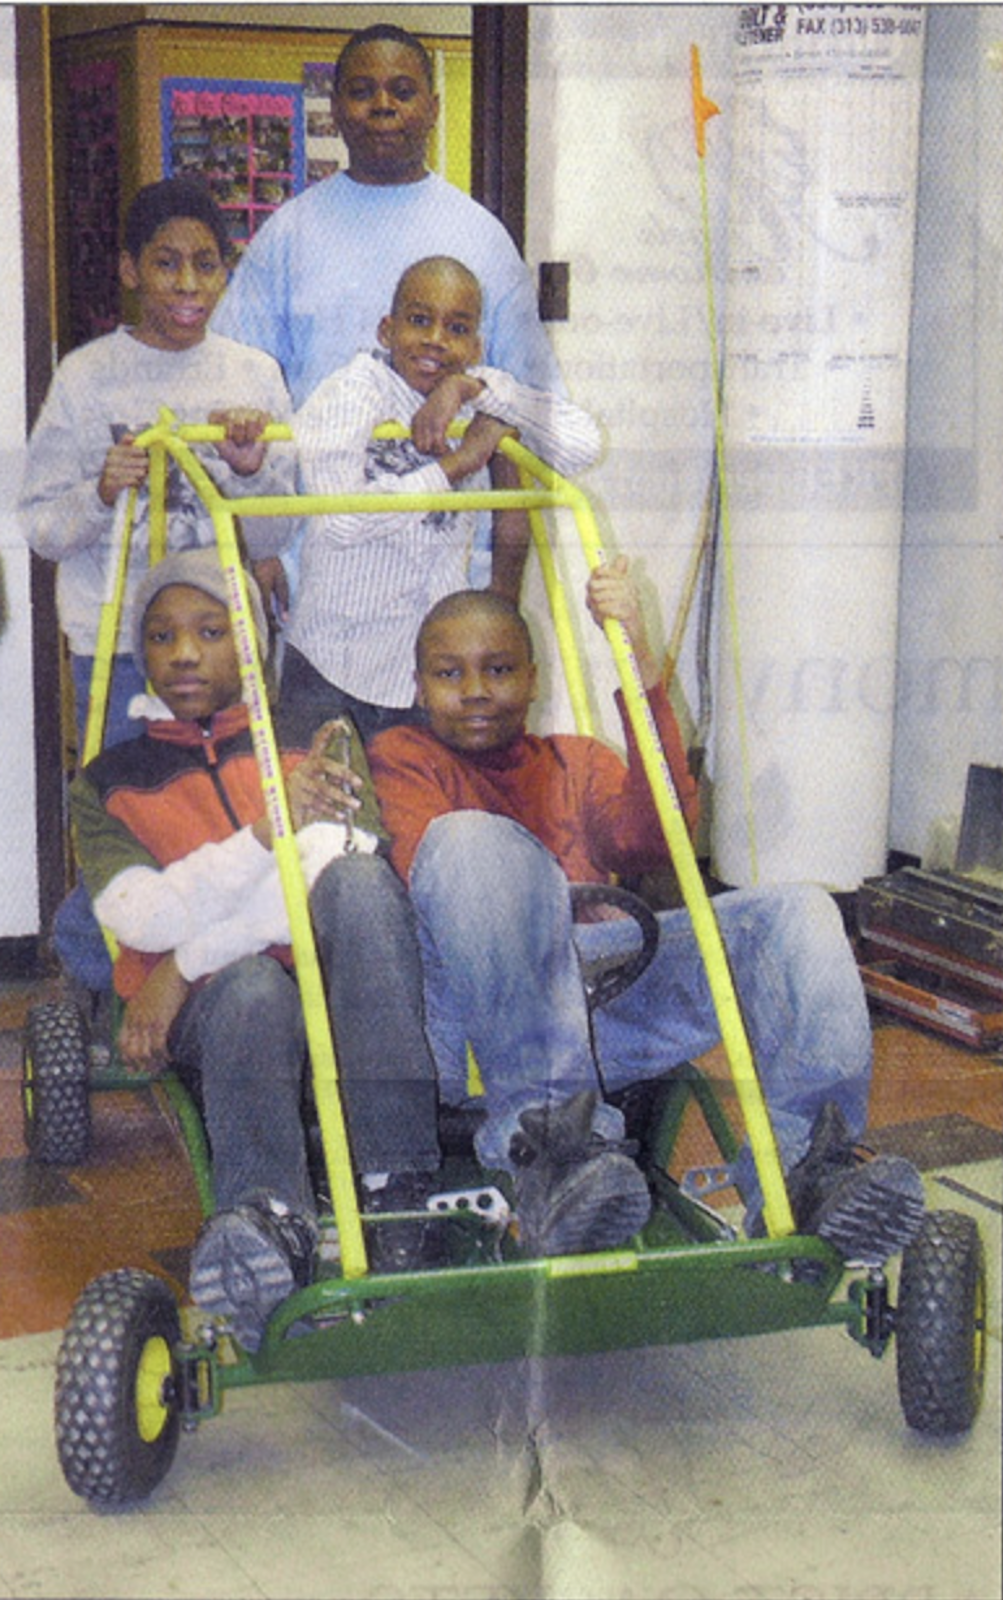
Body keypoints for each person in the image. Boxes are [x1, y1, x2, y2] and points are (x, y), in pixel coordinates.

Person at [368, 559, 927, 1261]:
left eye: (499, 670)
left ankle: (806, 1172)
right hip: (478, 1010)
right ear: (418, 688)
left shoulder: (572, 760)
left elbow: (659, 834)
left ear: (532, 679)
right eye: (449, 674)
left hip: (604, 991)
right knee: (471, 841)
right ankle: (557, 1156)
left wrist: (637, 659)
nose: (476, 692)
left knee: (795, 911)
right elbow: (438, 872)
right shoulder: (399, 757)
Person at [70, 549, 447, 1352]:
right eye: (163, 635)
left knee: (359, 884)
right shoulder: (108, 783)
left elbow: (334, 872)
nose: (183, 654)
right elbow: (143, 919)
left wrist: (185, 962)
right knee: (251, 988)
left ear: (252, 646)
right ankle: (267, 1219)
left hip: (312, 978)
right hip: (222, 1008)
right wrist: (260, 843)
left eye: (211, 631)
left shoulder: (314, 748)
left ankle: (394, 1185)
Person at [211, 21, 564, 610]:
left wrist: (502, 583)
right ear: (336, 107)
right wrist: (264, 545)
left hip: (449, 572)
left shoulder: (481, 238)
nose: (382, 105)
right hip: (319, 566)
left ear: (431, 107)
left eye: (401, 91)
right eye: (362, 90)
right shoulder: (289, 236)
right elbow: (239, 395)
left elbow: (529, 405)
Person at [277, 255, 602, 748]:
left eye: (456, 328)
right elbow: (341, 519)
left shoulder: (475, 393)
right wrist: (458, 463)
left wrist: (475, 390)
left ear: (475, 345)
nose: (435, 340)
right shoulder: (350, 392)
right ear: (387, 330)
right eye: (419, 320)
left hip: (426, 684)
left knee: (422, 822)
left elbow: (583, 445)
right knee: (322, 824)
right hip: (331, 671)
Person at [20, 177, 297, 751]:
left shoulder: (254, 375)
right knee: (125, 814)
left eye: (206, 264)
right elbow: (42, 528)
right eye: (167, 264)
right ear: (130, 269)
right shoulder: (86, 374)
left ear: (227, 269)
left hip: (225, 645)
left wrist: (249, 472)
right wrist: (99, 493)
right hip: (118, 644)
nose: (189, 284)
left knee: (231, 821)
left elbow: (276, 532)